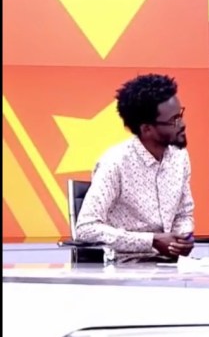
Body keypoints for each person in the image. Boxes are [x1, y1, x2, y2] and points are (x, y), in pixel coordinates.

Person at [75, 73, 194, 262]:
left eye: (180, 115)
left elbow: (183, 214)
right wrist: (151, 241)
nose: (182, 124)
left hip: (170, 267)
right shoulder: (115, 163)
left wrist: (183, 239)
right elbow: (85, 229)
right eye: (174, 120)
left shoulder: (179, 157)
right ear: (146, 129)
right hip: (124, 267)